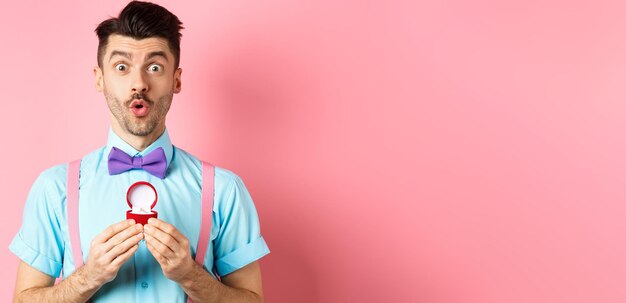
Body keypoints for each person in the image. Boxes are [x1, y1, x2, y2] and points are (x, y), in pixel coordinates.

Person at [10, 1, 270, 302]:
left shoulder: (225, 189)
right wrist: (88, 277)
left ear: (176, 79)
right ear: (99, 78)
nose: (139, 84)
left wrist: (191, 276)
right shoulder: (54, 188)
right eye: (122, 67)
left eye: (155, 67)